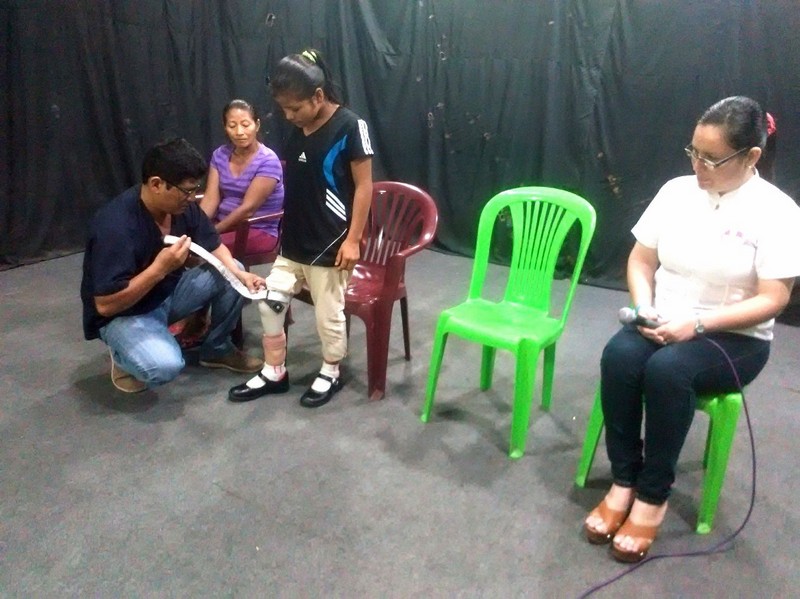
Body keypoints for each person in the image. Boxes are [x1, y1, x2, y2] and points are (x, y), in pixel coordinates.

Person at [583, 96, 800, 562]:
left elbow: (773, 299)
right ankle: (624, 479)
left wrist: (698, 323)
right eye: (693, 153)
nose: (698, 167)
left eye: (711, 158)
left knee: (668, 372)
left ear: (751, 156)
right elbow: (641, 261)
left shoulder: (778, 212)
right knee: (619, 357)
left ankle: (652, 495)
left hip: (734, 337)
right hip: (664, 318)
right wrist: (644, 308)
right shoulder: (676, 192)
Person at [228, 48, 374, 407]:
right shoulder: (297, 128)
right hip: (293, 240)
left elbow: (364, 187)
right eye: (284, 109)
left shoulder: (350, 126)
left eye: (295, 108)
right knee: (270, 302)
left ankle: (331, 371)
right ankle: (274, 371)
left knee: (328, 314)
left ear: (318, 96)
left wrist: (354, 240)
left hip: (331, 241)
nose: (289, 116)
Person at [81, 138, 264, 393]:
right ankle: (123, 357)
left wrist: (239, 275)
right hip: (124, 313)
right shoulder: (115, 227)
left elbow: (214, 245)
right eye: (186, 191)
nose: (192, 198)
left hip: (166, 294)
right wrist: (159, 269)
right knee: (164, 367)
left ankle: (216, 349)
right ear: (156, 184)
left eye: (195, 189)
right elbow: (105, 305)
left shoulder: (180, 208)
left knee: (233, 267)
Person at [200, 98, 284, 256]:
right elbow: (211, 199)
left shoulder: (268, 161)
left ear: (257, 125)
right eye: (232, 126)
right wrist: (198, 226)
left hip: (256, 229)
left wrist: (212, 232)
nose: (239, 132)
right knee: (187, 242)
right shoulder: (220, 154)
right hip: (223, 226)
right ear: (225, 127)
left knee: (203, 248)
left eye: (245, 125)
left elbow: (247, 210)